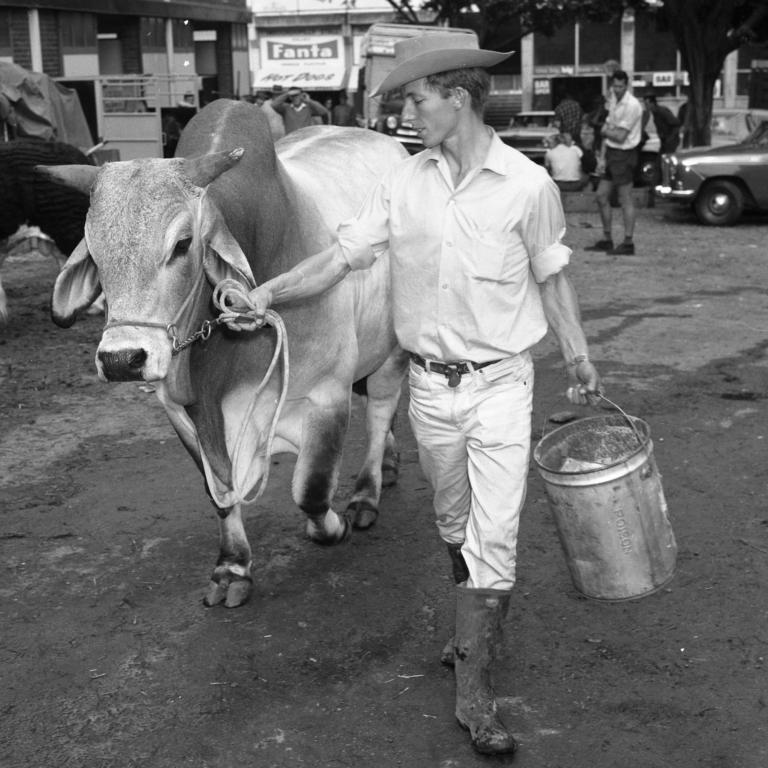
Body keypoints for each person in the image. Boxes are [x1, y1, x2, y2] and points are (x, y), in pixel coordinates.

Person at [221, 32, 601, 756]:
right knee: (454, 522)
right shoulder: (403, 180)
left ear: (457, 98)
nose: (409, 112)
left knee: (494, 535)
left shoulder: (527, 185)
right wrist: (265, 294)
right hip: (428, 389)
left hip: (500, 388)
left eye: (417, 99)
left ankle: (476, 689)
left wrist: (579, 356)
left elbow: (553, 277)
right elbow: (339, 257)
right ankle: (476, 621)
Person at [584, 70, 643, 256]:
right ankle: (607, 239)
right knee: (601, 196)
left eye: (620, 86)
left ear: (626, 85)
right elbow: (611, 133)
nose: (617, 89)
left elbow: (620, 136)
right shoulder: (613, 100)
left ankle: (628, 241)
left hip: (625, 154)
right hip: (611, 153)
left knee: (625, 198)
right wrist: (602, 157)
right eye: (614, 86)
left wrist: (602, 130)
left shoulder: (633, 105)